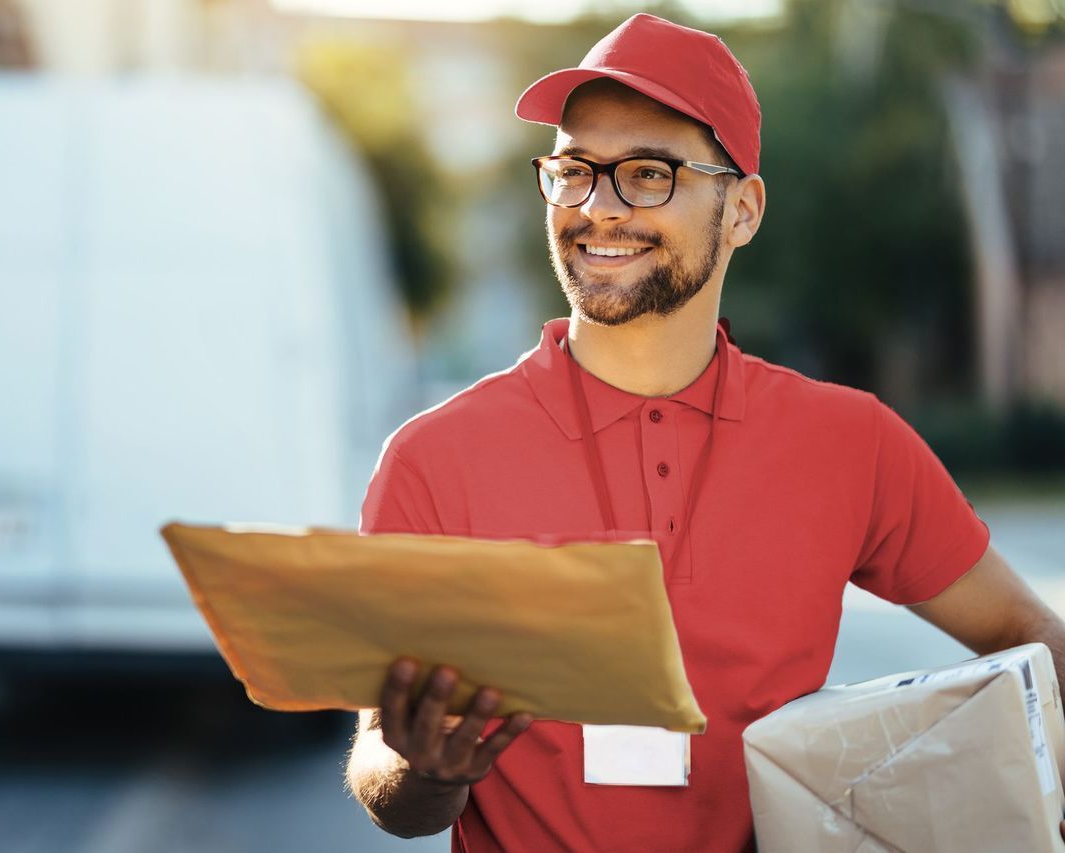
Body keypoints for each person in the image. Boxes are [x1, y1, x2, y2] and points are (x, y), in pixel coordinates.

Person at [346, 12, 1065, 852]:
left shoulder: (851, 443)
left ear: (743, 209)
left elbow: (1030, 638)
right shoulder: (434, 461)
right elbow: (382, 777)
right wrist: (425, 769)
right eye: (573, 171)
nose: (598, 208)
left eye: (647, 173)